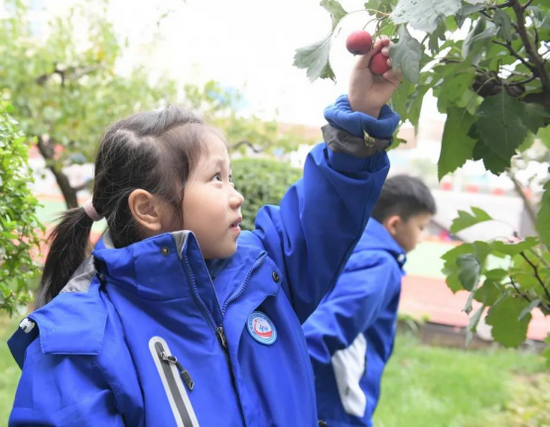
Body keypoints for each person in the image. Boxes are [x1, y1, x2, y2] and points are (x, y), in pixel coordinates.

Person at [8, 39, 401, 426]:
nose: (237, 196)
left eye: (230, 177)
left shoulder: (261, 272)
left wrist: (362, 110)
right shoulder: (78, 345)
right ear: (148, 208)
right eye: (217, 178)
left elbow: (323, 214)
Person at [303, 175, 436, 427]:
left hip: (324, 397)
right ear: (395, 224)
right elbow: (331, 324)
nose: (423, 235)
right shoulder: (381, 265)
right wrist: (284, 377)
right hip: (337, 407)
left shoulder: (354, 246)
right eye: (421, 226)